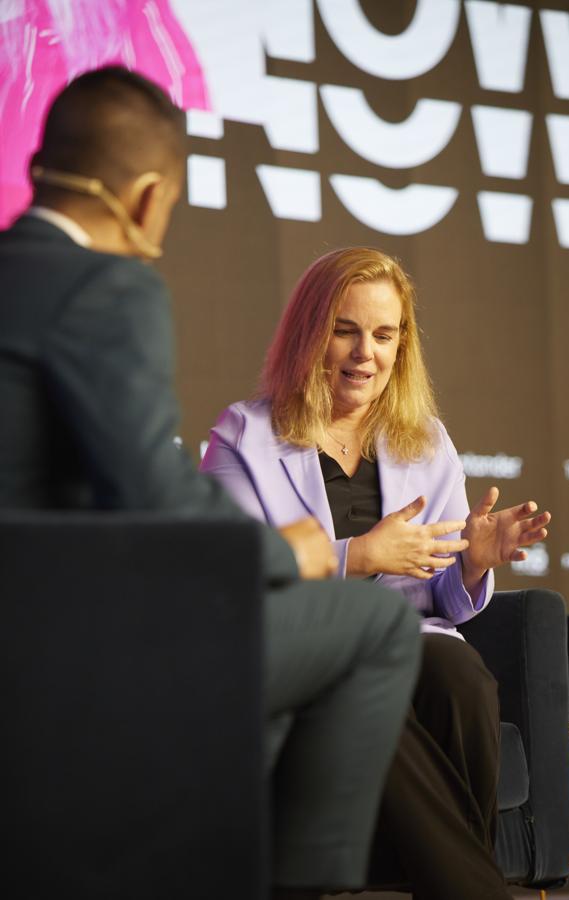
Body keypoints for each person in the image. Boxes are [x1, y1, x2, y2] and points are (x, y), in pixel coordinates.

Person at [0, 70, 423, 900]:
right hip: (68, 646)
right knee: (372, 624)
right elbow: (152, 499)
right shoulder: (104, 288)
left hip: (35, 624)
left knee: (262, 656)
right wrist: (286, 551)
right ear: (150, 196)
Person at [201, 246, 552, 900]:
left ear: (402, 346)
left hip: (410, 639)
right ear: (311, 332)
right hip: (302, 651)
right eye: (346, 329)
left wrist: (474, 561)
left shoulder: (426, 440)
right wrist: (356, 557)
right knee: (365, 678)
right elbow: (233, 581)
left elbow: (439, 597)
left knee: (464, 679)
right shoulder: (243, 438)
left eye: (385, 335)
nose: (367, 352)